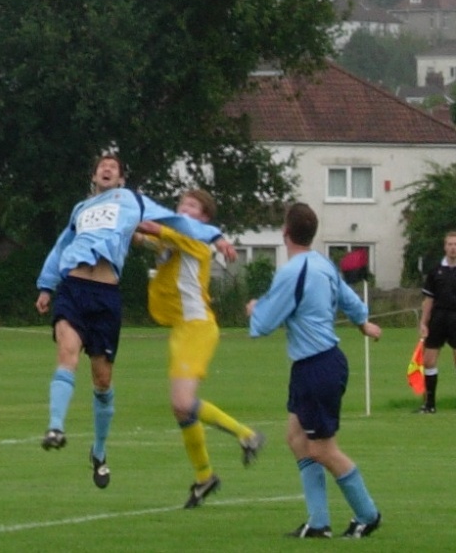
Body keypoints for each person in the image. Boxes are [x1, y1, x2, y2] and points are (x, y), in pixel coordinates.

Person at [35, 154, 236, 490]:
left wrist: (215, 236)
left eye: (114, 165)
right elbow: (61, 246)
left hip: (106, 296)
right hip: (73, 288)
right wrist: (46, 284)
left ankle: (98, 452)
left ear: (121, 179)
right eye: (102, 164)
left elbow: (177, 221)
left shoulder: (132, 201)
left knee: (102, 380)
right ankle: (55, 427)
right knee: (66, 354)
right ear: (94, 175)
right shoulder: (80, 209)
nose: (107, 167)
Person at [246, 202, 382, 539]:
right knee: (295, 438)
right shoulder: (323, 264)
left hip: (316, 366)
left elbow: (263, 325)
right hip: (320, 363)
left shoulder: (292, 272)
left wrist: (254, 308)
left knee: (322, 449)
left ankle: (368, 514)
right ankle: (318, 522)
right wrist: (363, 324)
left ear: (285, 232)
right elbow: (353, 303)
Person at [135, 189, 265, 509]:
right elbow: (144, 238)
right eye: (182, 204)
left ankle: (247, 435)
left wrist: (126, 211)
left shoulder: (195, 241)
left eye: (192, 206)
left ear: (205, 220)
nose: (184, 209)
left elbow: (150, 228)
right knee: (181, 409)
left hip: (198, 328)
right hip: (183, 329)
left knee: (183, 401)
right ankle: (205, 477)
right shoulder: (175, 239)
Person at [417, 230, 456, 413]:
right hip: (439, 318)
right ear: (445, 246)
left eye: (455, 244)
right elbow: (428, 300)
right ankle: (429, 404)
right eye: (450, 244)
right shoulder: (435, 271)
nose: (453, 248)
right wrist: (424, 323)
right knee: (429, 360)